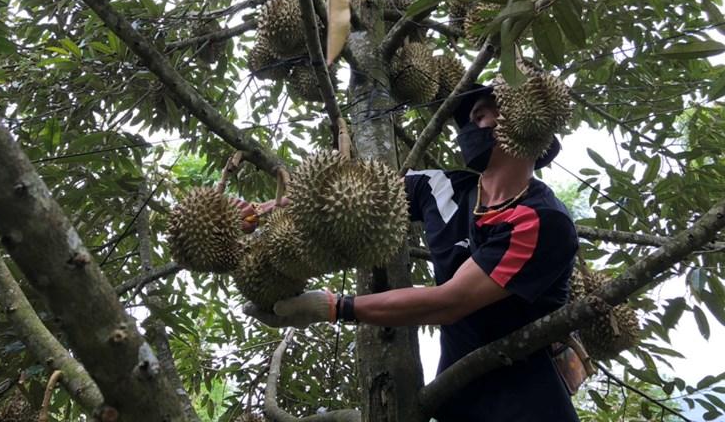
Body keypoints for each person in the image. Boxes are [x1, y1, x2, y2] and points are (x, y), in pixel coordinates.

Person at [245, 84, 580, 421]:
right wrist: (262, 213)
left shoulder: (541, 219)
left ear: (517, 120)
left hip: (530, 408)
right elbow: (350, 191)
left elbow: (451, 302)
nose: (468, 128)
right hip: (456, 405)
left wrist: (335, 307)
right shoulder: (440, 187)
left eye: (479, 115)